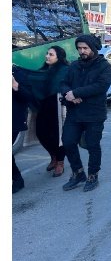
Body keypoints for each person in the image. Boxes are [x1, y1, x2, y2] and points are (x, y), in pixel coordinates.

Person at [57, 33, 111, 193]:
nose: (82, 51)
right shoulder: (74, 65)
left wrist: (76, 93)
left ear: (93, 48)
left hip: (94, 113)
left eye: (85, 48)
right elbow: (63, 83)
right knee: (67, 142)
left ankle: (93, 175)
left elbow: (101, 86)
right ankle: (78, 173)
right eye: (79, 48)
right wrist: (69, 93)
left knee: (92, 145)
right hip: (74, 113)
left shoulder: (104, 66)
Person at [16, 46, 70, 176]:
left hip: (58, 106)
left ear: (59, 57)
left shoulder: (65, 70)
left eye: (51, 54)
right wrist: (18, 71)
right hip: (42, 107)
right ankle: (53, 156)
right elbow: (31, 79)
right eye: (47, 53)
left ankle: (60, 162)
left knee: (58, 135)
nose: (47, 56)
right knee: (41, 134)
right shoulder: (44, 70)